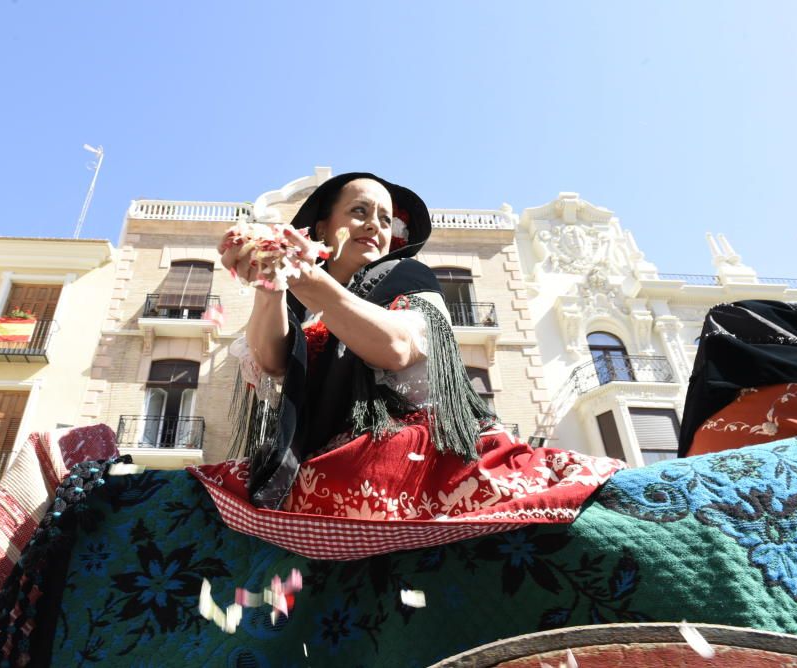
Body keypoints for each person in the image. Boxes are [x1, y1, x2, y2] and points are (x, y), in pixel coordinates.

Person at [194, 172, 623, 550]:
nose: (375, 225)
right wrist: (272, 284)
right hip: (317, 458)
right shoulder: (299, 303)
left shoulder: (408, 277)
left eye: (385, 219)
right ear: (321, 227)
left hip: (415, 456)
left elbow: (397, 348)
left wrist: (304, 275)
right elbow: (270, 363)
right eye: (360, 210)